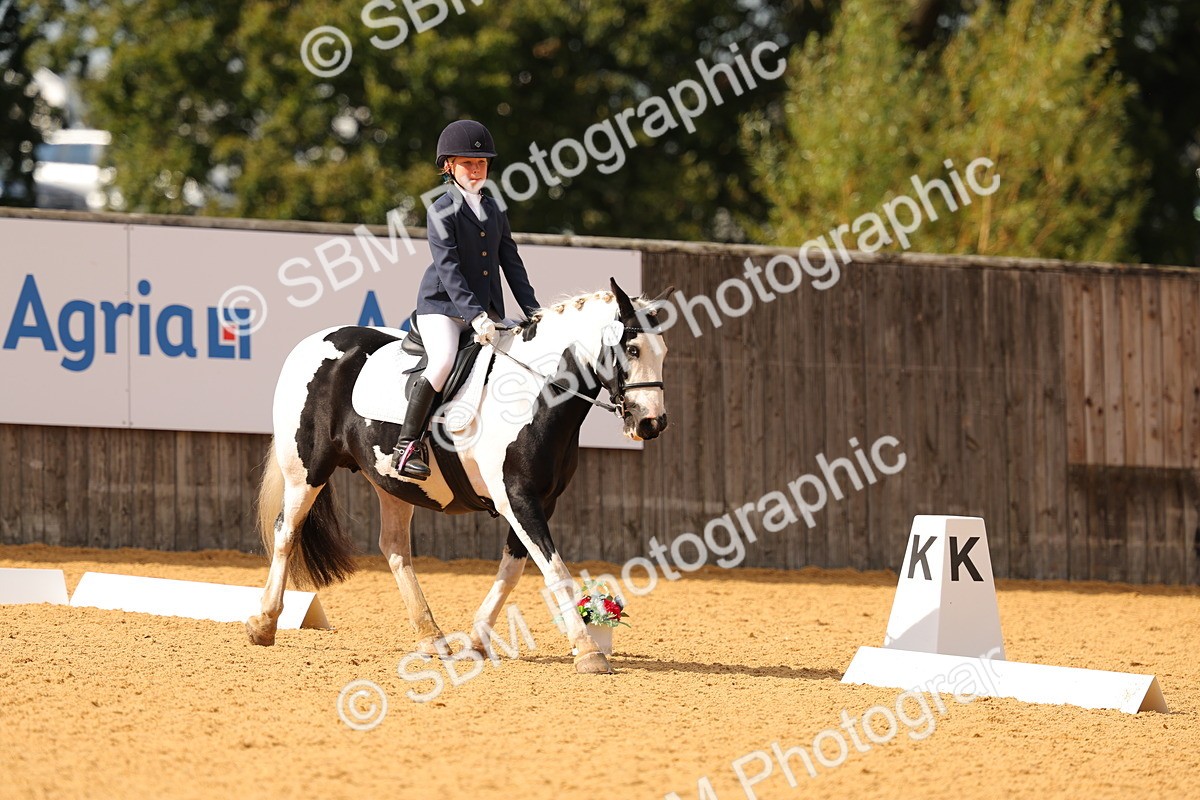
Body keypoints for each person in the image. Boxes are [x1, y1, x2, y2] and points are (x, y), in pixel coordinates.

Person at [392, 119, 542, 480]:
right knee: (442, 361)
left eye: (481, 164)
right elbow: (449, 267)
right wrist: (475, 316)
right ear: (449, 166)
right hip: (443, 307)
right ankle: (407, 444)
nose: (476, 170)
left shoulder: (495, 209)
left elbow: (511, 262)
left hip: (486, 312)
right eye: (467, 164)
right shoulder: (441, 209)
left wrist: (533, 311)